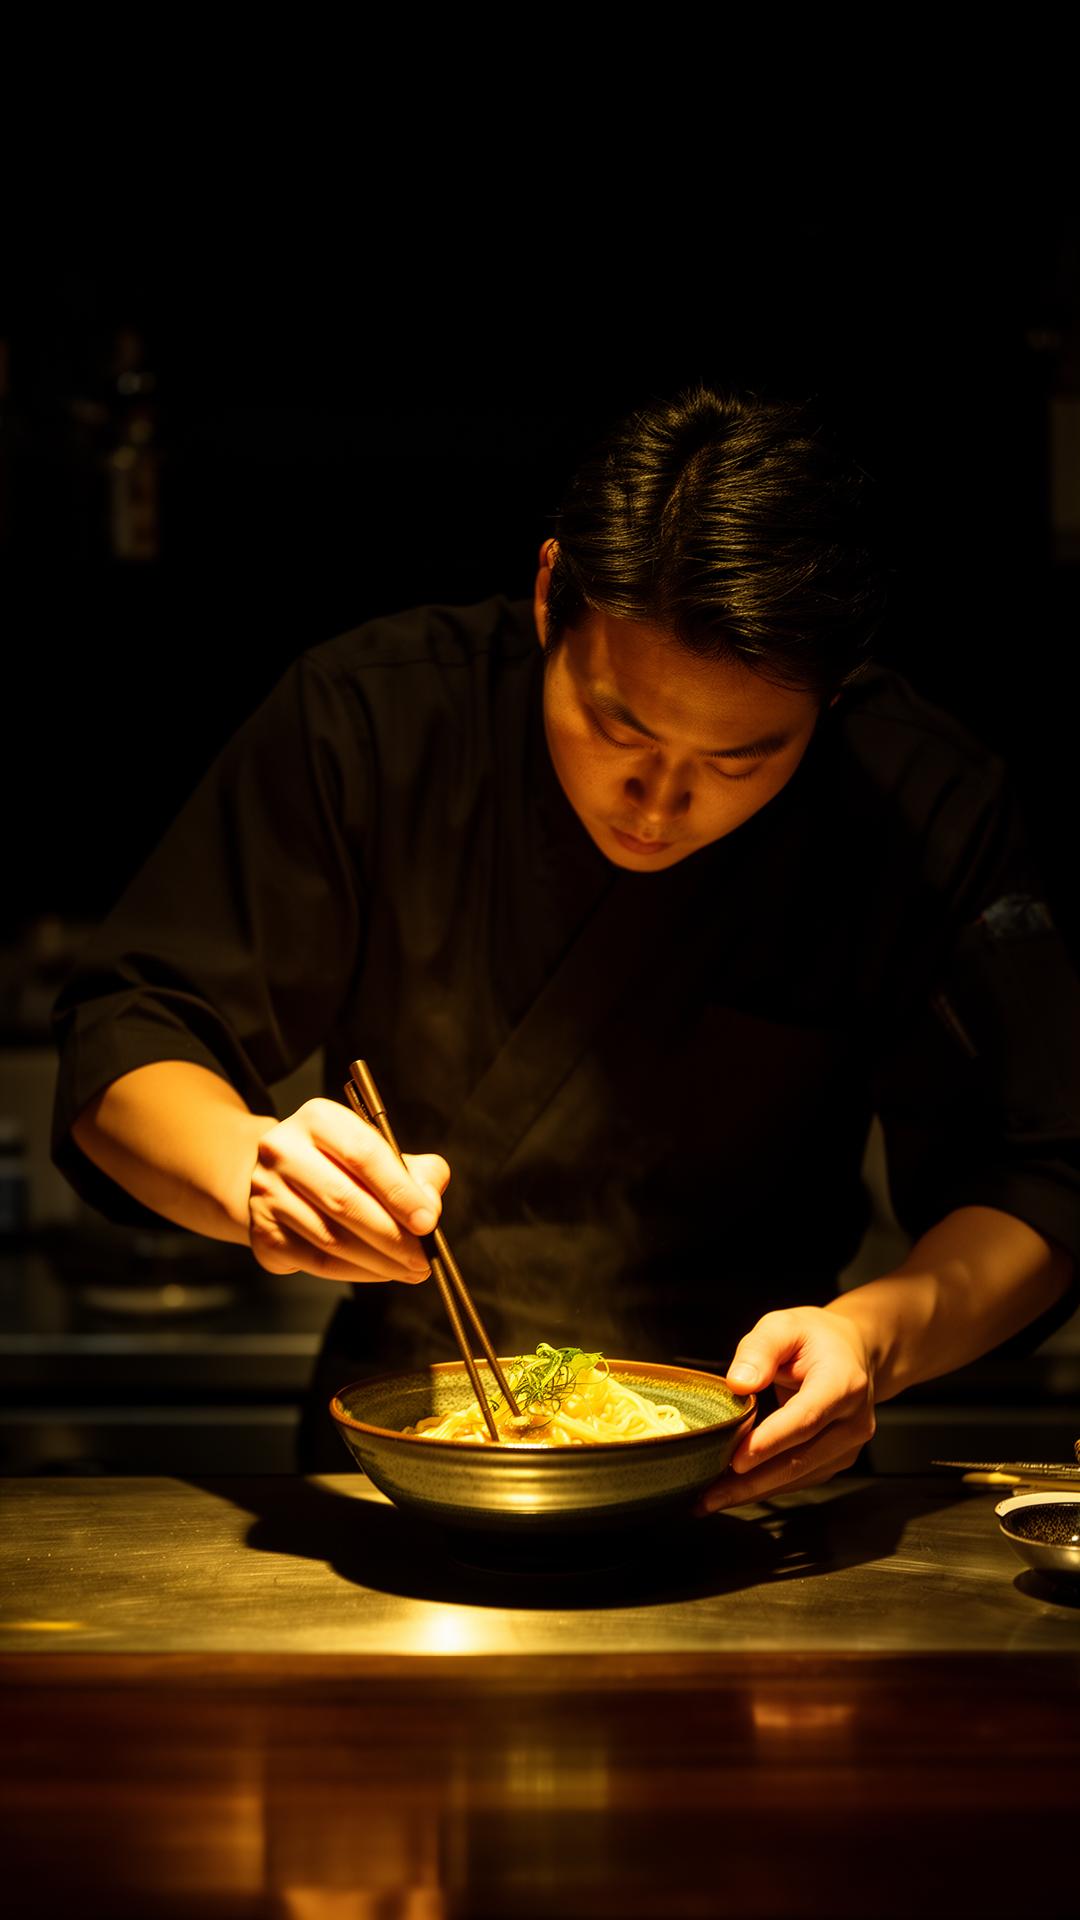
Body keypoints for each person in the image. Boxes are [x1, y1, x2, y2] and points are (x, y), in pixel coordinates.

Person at [51, 385, 1080, 1502]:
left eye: (740, 763)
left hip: (764, 1441)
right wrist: (248, 1170)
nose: (660, 799)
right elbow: (127, 1031)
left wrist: (876, 1340)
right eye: (617, 723)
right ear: (552, 596)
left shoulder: (918, 801)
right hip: (405, 1438)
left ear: (830, 704)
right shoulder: (375, 721)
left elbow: (1048, 1175)